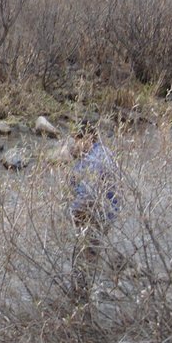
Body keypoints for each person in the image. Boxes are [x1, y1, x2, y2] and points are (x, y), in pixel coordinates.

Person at [68, 122, 120, 303]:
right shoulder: (104, 152)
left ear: (88, 138)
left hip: (92, 216)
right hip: (107, 214)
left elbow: (87, 195)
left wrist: (69, 215)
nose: (72, 146)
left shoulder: (91, 162)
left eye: (76, 140)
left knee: (83, 259)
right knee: (92, 257)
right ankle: (87, 296)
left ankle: (81, 300)